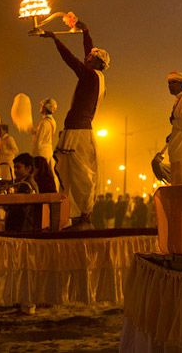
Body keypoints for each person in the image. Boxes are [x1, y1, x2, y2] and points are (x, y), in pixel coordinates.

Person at [41, 17, 109, 230]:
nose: (87, 58)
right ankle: (67, 217)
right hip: (73, 131)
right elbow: (85, 53)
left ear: (98, 63)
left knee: (80, 175)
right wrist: (85, 31)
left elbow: (71, 60)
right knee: (65, 174)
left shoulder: (91, 76)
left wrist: (55, 40)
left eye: (91, 57)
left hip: (79, 134)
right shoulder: (94, 74)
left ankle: (85, 217)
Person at [32, 98, 58, 186]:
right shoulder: (52, 122)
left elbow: (39, 140)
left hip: (41, 153)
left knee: (41, 179)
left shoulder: (44, 123)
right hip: (47, 151)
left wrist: (35, 155)